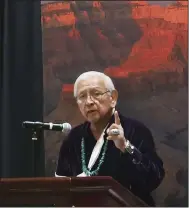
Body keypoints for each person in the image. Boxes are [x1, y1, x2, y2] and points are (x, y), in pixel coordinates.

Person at [55, 71, 165, 206]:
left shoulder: (135, 130)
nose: (89, 102)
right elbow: (60, 188)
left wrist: (125, 146)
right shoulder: (74, 138)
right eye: (82, 96)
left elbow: (154, 179)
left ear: (113, 98)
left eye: (96, 94)